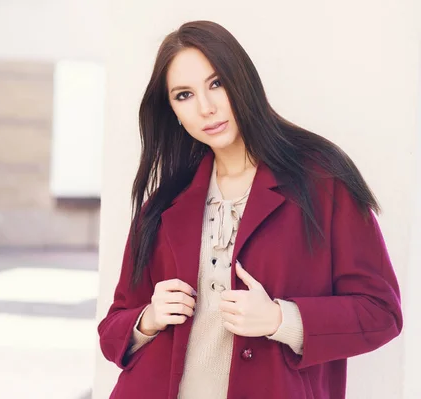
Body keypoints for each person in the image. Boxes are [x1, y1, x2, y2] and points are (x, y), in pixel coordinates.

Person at [97, 20, 403, 399]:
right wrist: (148, 318)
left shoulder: (323, 180)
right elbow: (111, 334)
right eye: (184, 95)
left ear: (242, 81)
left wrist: (281, 319)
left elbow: (381, 313)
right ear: (172, 111)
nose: (206, 108)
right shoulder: (163, 203)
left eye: (216, 83)